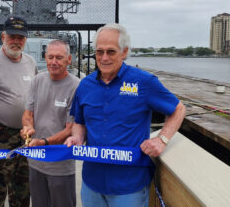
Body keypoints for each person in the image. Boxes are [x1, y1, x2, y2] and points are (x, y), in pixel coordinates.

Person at [65, 23, 186, 207]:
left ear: (124, 52)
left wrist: (162, 139)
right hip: (92, 183)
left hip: (129, 187)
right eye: (99, 52)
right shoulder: (85, 85)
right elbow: (80, 122)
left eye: (111, 52)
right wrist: (76, 138)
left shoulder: (144, 82)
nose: (104, 58)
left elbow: (178, 109)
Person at [0, 16, 37, 207]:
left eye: (21, 38)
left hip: (25, 136)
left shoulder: (30, 62)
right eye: (12, 36)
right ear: (3, 36)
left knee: (22, 188)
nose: (16, 41)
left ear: (26, 39)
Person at [21, 40, 79, 207]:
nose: (54, 62)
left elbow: (70, 130)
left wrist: (44, 142)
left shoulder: (76, 86)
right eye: (50, 57)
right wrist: (27, 127)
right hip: (36, 162)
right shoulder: (37, 80)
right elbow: (28, 114)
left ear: (69, 60)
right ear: (45, 58)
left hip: (60, 165)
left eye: (59, 58)